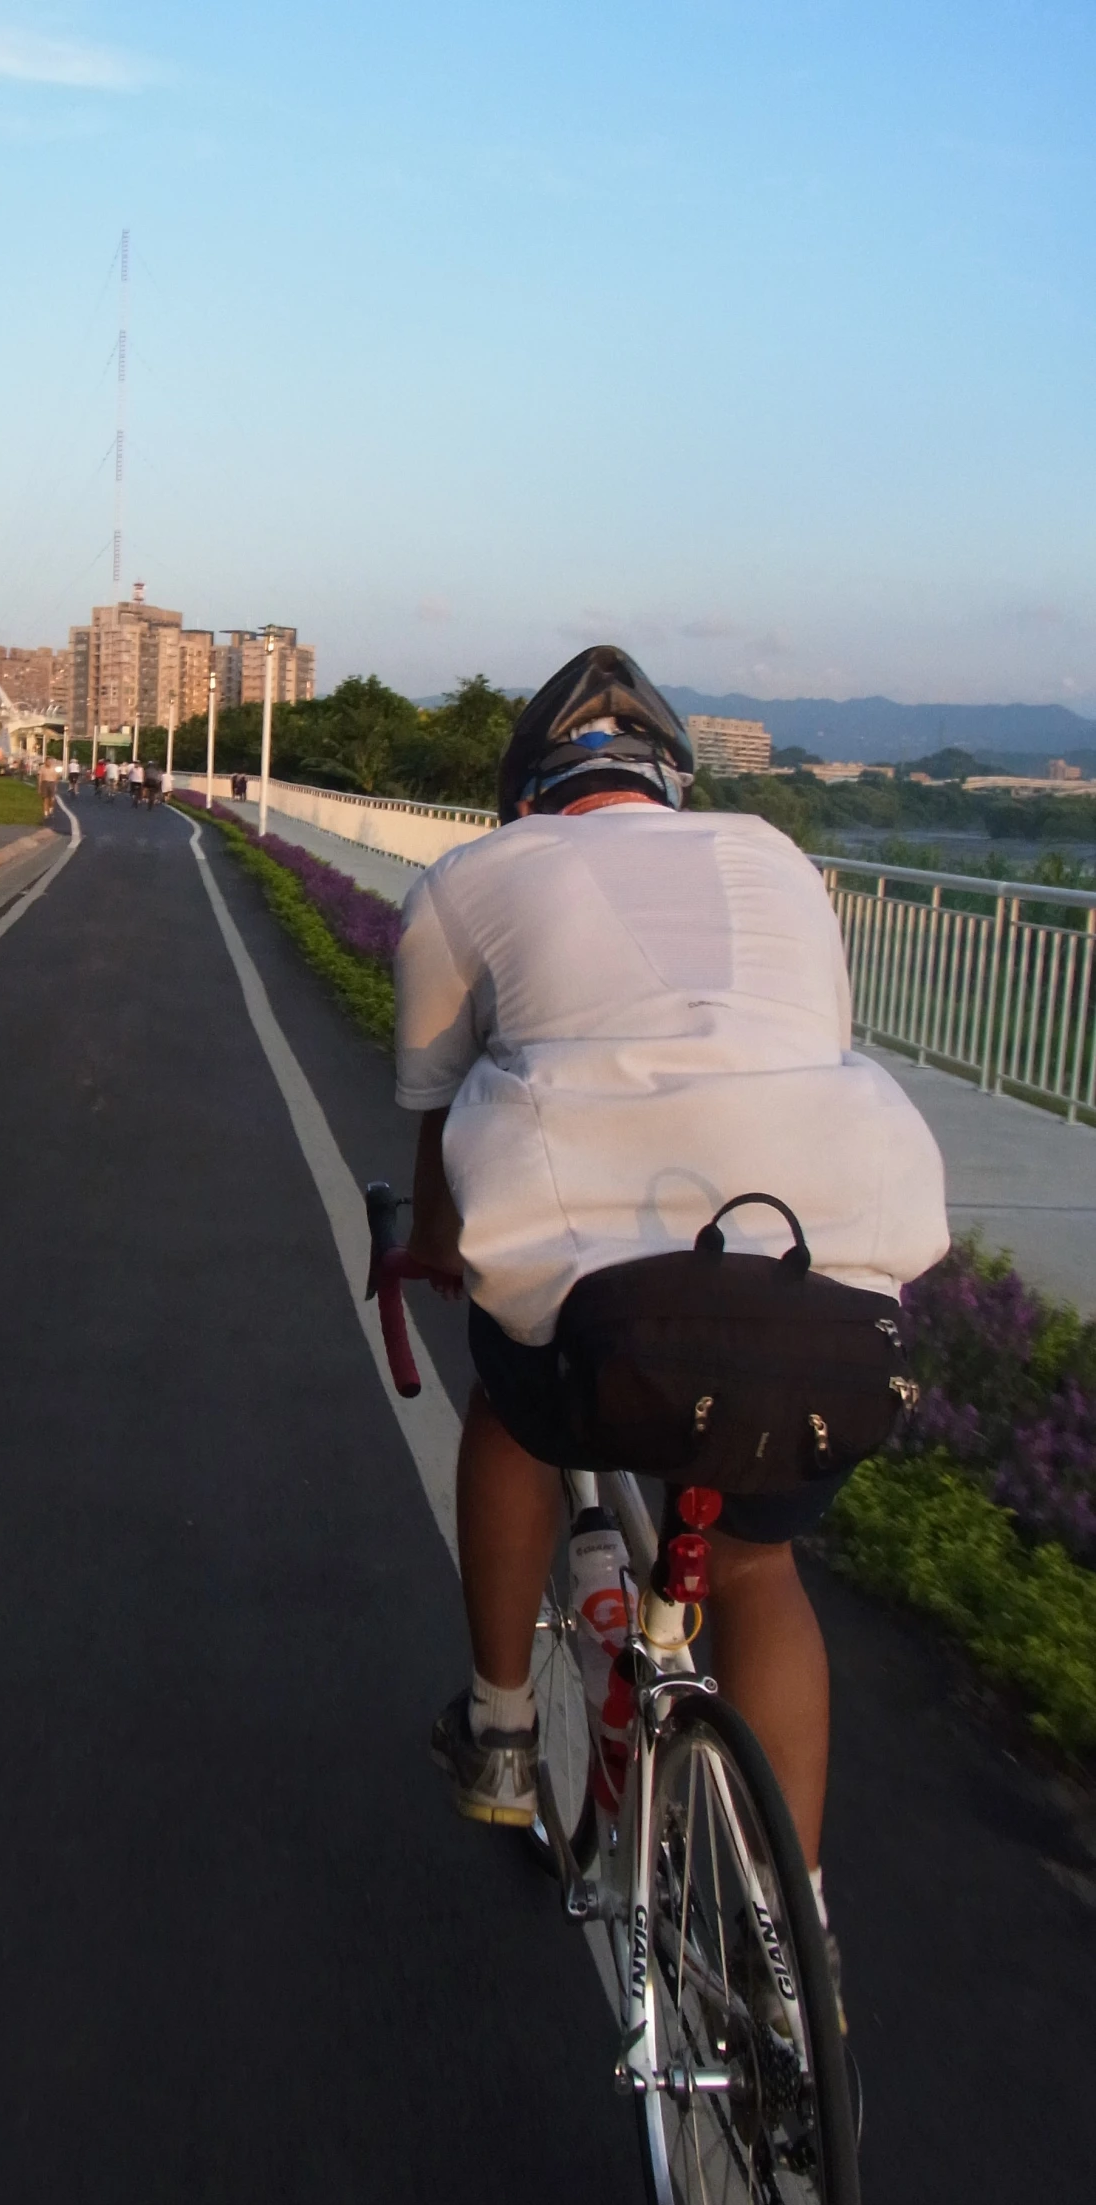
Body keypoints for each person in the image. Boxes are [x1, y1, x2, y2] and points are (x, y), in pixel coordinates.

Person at [396, 644, 947, 1963]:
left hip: (597, 1292)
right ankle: (787, 1950)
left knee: (519, 1418)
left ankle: (501, 1728)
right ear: (672, 788)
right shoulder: (774, 863)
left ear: (529, 792)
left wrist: (429, 1248)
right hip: (833, 1278)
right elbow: (788, 1050)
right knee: (757, 1568)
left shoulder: (468, 881)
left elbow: (433, 1151)